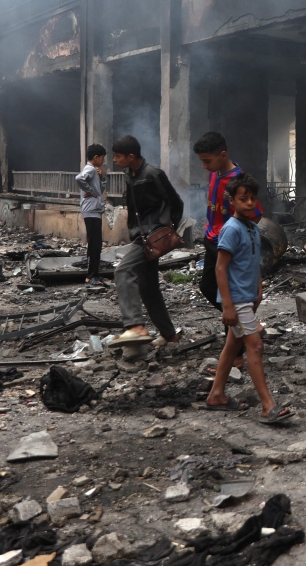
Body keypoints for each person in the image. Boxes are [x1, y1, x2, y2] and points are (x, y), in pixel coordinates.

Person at [203, 173, 291, 424]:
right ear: (232, 201)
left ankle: (216, 395)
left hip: (248, 296)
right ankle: (267, 406)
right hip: (237, 299)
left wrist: (259, 288)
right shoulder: (231, 229)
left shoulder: (252, 228)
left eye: (253, 198)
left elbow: (253, 263)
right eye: (244, 199)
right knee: (255, 346)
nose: (250, 203)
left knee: (233, 346)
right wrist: (227, 306)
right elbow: (220, 268)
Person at [109, 135, 184, 356]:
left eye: (118, 156)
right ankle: (170, 335)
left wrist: (167, 231)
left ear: (131, 156)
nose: (114, 160)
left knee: (123, 270)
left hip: (151, 236)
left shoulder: (153, 174)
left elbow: (176, 203)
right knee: (148, 287)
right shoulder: (129, 175)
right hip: (139, 236)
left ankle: (135, 326)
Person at [194, 132, 262, 367]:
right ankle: (243, 322)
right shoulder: (216, 173)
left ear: (222, 155)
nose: (205, 167)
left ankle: (237, 350)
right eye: (202, 161)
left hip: (227, 241)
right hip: (212, 238)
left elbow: (256, 213)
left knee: (228, 293)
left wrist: (240, 235)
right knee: (209, 287)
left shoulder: (237, 181)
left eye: (207, 161)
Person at [75, 143, 107, 286]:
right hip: (91, 210)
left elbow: (100, 189)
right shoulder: (89, 169)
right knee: (95, 244)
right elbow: (78, 178)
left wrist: (102, 178)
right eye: (102, 158)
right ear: (96, 157)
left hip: (94, 210)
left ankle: (95, 274)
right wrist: (90, 191)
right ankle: (91, 276)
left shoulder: (94, 171)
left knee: (96, 244)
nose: (103, 161)